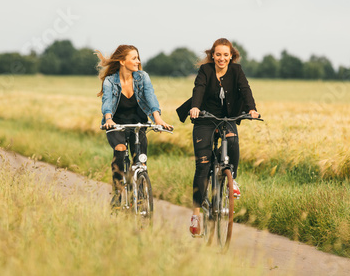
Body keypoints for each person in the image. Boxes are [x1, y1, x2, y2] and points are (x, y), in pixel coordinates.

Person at [176, 38, 259, 236]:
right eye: (218, 54)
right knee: (203, 165)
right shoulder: (205, 70)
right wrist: (195, 107)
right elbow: (199, 88)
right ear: (212, 55)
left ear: (231, 56)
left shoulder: (236, 71)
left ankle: (232, 180)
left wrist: (252, 109)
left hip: (227, 117)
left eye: (225, 55)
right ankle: (196, 215)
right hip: (205, 118)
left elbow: (245, 89)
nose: (222, 58)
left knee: (232, 139)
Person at [96, 45, 172, 207]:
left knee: (140, 161)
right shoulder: (110, 81)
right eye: (134, 58)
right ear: (122, 61)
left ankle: (138, 189)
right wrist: (108, 119)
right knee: (121, 149)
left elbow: (150, 96)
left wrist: (157, 119)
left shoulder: (142, 77)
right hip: (116, 125)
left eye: (138, 58)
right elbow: (107, 101)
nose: (138, 61)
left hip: (138, 123)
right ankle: (117, 193)